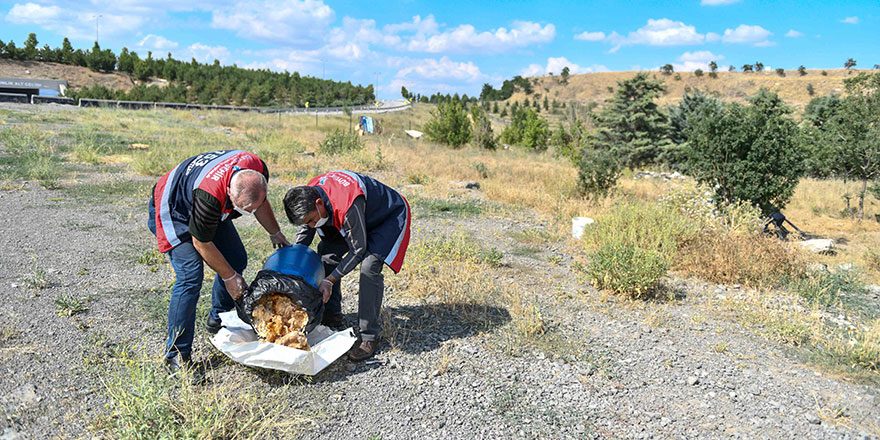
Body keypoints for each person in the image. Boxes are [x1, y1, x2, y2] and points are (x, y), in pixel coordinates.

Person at [147, 150, 290, 372]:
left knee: (236, 258)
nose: (251, 212)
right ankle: (176, 354)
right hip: (175, 206)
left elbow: (260, 202)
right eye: (246, 210)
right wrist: (229, 277)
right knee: (190, 277)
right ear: (229, 196)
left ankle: (218, 318)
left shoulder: (256, 170)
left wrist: (275, 232)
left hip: (208, 202)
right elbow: (201, 243)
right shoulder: (209, 198)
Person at [283, 171, 410, 361]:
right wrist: (294, 260)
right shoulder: (309, 195)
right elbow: (305, 234)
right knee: (326, 255)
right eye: (306, 222)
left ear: (319, 204)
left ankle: (369, 336)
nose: (310, 225)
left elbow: (358, 249)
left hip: (385, 217)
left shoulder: (347, 203)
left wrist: (329, 280)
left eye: (311, 220)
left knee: (369, 268)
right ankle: (332, 315)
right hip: (355, 217)